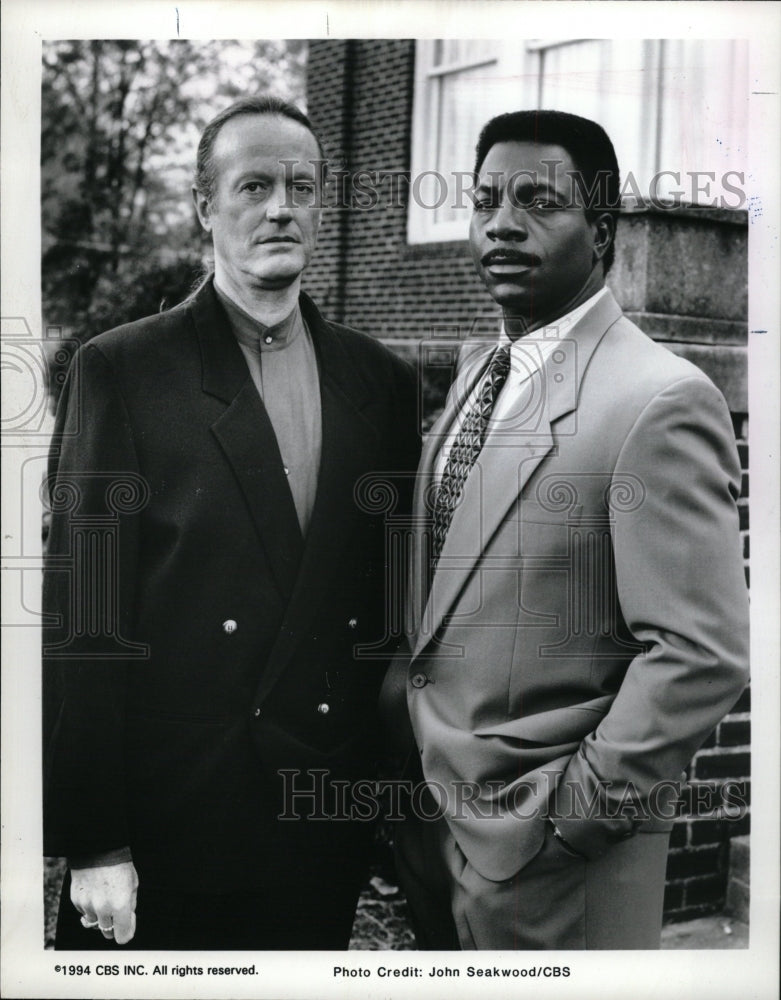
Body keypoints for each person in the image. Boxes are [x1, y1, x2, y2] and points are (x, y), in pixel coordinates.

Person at [43, 95, 420, 950]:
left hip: (318, 820)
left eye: (301, 186)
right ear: (206, 206)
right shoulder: (124, 371)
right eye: (253, 185)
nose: (280, 206)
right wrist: (96, 839)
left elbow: (393, 616)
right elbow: (83, 626)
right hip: (171, 820)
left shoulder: (382, 384)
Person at [380, 109, 749, 950]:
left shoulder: (658, 399)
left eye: (538, 201)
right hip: (434, 830)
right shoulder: (481, 370)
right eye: (485, 201)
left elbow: (703, 652)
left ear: (603, 228)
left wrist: (567, 824)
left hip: (550, 859)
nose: (501, 223)